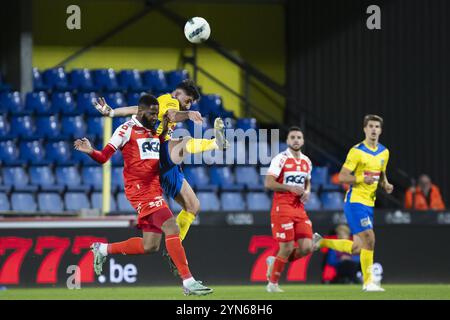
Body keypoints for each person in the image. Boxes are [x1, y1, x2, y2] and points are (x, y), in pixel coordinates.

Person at [74, 94, 213, 296]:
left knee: (150, 245)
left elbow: (161, 140)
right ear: (140, 112)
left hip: (153, 187)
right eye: (152, 113)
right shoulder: (125, 130)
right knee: (172, 226)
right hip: (139, 190)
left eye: (157, 113)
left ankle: (103, 250)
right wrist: (90, 150)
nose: (155, 116)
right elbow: (104, 157)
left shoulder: (153, 129)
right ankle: (188, 281)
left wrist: (166, 126)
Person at [94, 80, 228, 243]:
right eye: (188, 100)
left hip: (164, 165)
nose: (188, 105)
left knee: (193, 206)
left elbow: (137, 109)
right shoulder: (170, 100)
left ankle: (174, 244)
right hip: (156, 153)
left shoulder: (157, 105)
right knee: (183, 143)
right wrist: (188, 114)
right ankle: (215, 143)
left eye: (190, 103)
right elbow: (172, 114)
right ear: (178, 94)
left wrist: (112, 112)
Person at [313, 115, 393, 292]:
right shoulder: (356, 151)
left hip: (369, 203)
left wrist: (385, 184)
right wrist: (360, 177)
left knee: (357, 247)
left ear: (380, 130)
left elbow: (381, 174)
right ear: (364, 129)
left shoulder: (384, 152)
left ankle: (322, 242)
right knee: (370, 238)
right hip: (355, 201)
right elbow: (341, 177)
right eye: (370, 126)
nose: (373, 129)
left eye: (376, 127)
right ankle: (368, 282)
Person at [264, 126, 314, 293]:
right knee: (286, 248)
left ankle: (275, 261)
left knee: (307, 247)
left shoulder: (307, 161)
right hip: (282, 207)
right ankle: (273, 284)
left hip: (299, 208)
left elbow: (307, 182)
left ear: (303, 141)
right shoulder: (280, 158)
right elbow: (269, 183)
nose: (296, 140)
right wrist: (290, 188)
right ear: (287, 140)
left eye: (299, 137)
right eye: (292, 137)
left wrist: (307, 192)